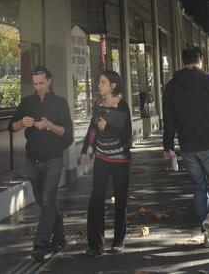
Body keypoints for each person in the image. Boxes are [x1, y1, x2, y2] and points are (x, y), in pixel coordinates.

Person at [162, 46, 209, 248]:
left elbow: (169, 119)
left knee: (199, 187)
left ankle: (207, 236)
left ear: (183, 61)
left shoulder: (172, 86)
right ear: (200, 60)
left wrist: (168, 145)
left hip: (188, 145)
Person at [9, 66, 73, 265]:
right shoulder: (27, 102)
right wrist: (22, 122)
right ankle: (60, 237)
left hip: (53, 159)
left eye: (41, 83)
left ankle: (40, 246)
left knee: (47, 200)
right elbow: (11, 126)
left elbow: (68, 135)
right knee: (45, 202)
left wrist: (49, 126)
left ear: (49, 81)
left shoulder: (60, 103)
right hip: (32, 160)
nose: (38, 87)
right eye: (35, 84)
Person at [79, 69, 132, 257]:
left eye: (102, 82)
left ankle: (118, 241)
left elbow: (126, 135)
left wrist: (107, 126)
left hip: (120, 160)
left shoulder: (122, 106)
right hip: (101, 158)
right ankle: (96, 245)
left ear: (113, 85)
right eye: (99, 82)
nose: (98, 85)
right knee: (96, 200)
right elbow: (93, 129)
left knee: (120, 200)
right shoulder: (98, 104)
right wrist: (85, 150)